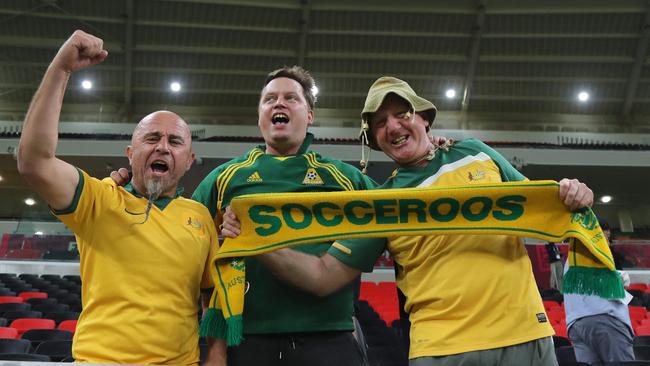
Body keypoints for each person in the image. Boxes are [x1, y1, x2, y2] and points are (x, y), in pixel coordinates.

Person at [221, 76, 595, 366]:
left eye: (402, 114)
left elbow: (543, 207)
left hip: (525, 336)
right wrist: (257, 242)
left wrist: (574, 193)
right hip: (442, 349)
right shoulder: (383, 204)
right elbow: (323, 276)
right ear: (375, 141)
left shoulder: (476, 154)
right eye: (381, 123)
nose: (394, 126)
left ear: (425, 119)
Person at [16, 30, 225, 365]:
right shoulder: (99, 200)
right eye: (152, 138)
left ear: (188, 160)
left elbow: (211, 300)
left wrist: (216, 359)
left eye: (175, 141)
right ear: (130, 153)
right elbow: (34, 161)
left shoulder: (200, 217)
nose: (162, 146)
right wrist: (62, 70)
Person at [191, 66, 378, 366]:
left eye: (291, 98)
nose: (279, 103)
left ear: (310, 115)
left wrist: (429, 154)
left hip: (329, 338)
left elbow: (397, 210)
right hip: (247, 341)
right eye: (270, 99)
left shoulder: (344, 178)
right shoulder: (223, 179)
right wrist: (215, 347)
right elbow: (188, 249)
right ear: (260, 116)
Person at [564, 221, 635, 364]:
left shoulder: (572, 259)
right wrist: (619, 279)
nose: (608, 243)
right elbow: (613, 287)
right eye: (605, 238)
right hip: (605, 322)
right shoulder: (597, 254)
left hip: (576, 325)